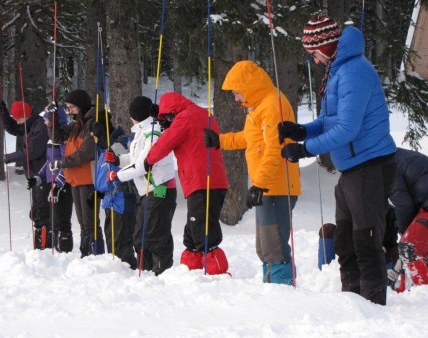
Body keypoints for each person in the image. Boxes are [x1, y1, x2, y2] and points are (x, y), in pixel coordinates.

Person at [280, 16, 396, 305]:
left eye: (314, 53)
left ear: (327, 45)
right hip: (351, 169)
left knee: (366, 244)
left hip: (370, 166)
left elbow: (347, 129)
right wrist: (303, 130)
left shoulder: (353, 71)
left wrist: (306, 149)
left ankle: (373, 309)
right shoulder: (339, 70)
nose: (315, 60)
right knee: (344, 244)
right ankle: (352, 305)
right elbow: (330, 120)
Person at [204, 60, 301, 285]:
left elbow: (276, 150)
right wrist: (220, 140)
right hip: (267, 186)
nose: (236, 98)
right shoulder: (259, 106)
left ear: (249, 86)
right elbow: (250, 139)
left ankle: (282, 293)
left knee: (273, 246)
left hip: (275, 187)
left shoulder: (272, 106)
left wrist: (259, 184)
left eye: (237, 92)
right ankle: (272, 290)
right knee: (265, 247)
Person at [144, 92, 230, 275]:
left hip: (200, 181)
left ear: (173, 112)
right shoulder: (201, 113)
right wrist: (167, 120)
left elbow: (166, 142)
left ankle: (217, 273)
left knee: (203, 230)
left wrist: (148, 160)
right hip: (212, 180)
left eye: (166, 117)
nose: (165, 121)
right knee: (193, 229)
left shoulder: (184, 119)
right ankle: (191, 270)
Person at [107, 96, 176, 275]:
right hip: (147, 190)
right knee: (141, 235)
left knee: (155, 234)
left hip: (160, 188)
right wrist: (117, 160)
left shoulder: (153, 132)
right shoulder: (143, 131)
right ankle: (145, 271)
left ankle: (160, 272)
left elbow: (143, 164)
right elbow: (136, 158)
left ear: (136, 114)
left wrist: (118, 175)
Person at [48, 89, 105, 258]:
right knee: (82, 222)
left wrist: (62, 162)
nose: (70, 110)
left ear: (80, 106)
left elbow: (85, 153)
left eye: (72, 107)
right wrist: (53, 118)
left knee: (90, 222)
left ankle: (95, 253)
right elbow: (56, 138)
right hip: (75, 179)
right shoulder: (76, 125)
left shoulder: (91, 124)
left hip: (89, 179)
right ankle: (86, 253)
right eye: (67, 107)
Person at [0, 100, 50, 249]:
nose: (18, 121)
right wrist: (4, 115)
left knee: (41, 211)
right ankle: (39, 241)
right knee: (35, 211)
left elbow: (32, 152)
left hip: (42, 174)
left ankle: (45, 244)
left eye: (19, 118)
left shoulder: (39, 126)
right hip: (33, 174)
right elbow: (14, 129)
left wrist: (10, 157)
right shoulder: (29, 124)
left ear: (26, 115)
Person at [92, 112, 138, 270]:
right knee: (113, 246)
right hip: (110, 201)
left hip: (121, 200)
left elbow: (123, 162)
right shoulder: (102, 147)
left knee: (121, 247)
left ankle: (130, 275)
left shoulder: (121, 142)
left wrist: (106, 141)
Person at [27, 105, 74, 253]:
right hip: (52, 185)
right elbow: (49, 163)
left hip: (63, 186)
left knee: (61, 222)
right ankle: (54, 252)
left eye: (46, 119)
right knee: (53, 221)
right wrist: (38, 178)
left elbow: (66, 164)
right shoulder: (51, 139)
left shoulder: (64, 137)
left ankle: (64, 253)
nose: (45, 123)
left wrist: (58, 185)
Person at [386, 148, 428, 289]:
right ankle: (408, 288)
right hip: (424, 208)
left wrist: (405, 233)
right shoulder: (397, 155)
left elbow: (404, 204)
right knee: (419, 248)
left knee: (409, 247)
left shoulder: (387, 166)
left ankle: (422, 294)